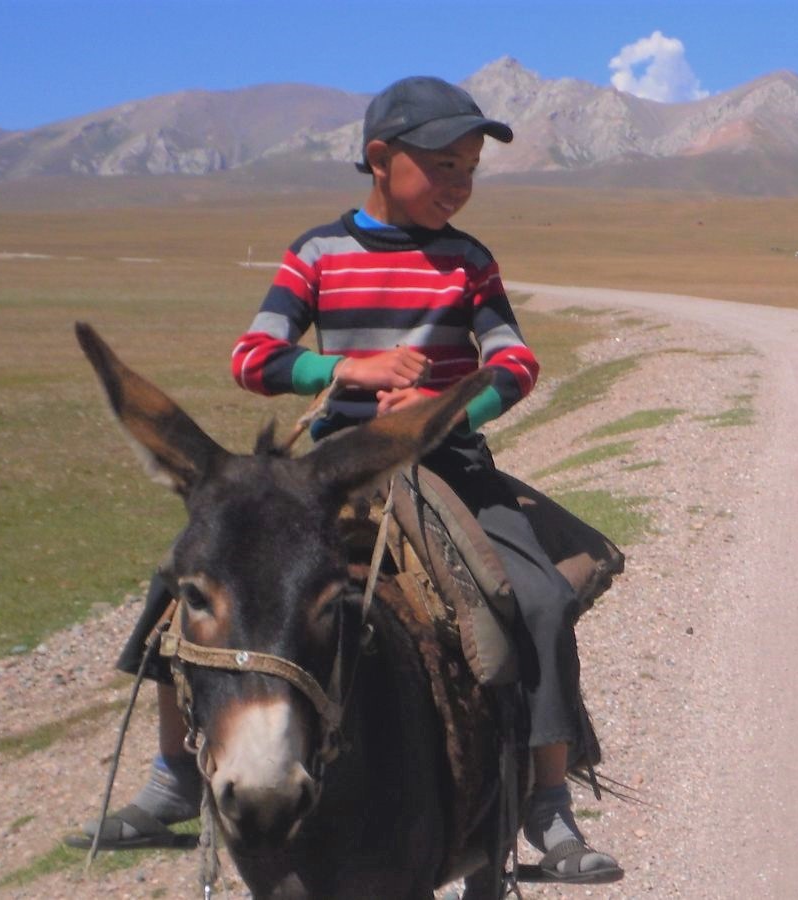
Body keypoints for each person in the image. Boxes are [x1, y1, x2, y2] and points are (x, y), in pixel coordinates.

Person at [74, 76, 623, 885]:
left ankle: (548, 804)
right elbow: (253, 358)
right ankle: (175, 777)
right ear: (379, 158)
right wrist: (342, 369)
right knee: (181, 589)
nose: (459, 184)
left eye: (470, 170)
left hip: (447, 460)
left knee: (538, 598)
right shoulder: (318, 253)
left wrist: (446, 409)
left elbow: (515, 362)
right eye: (443, 166)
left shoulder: (469, 261)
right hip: (331, 465)